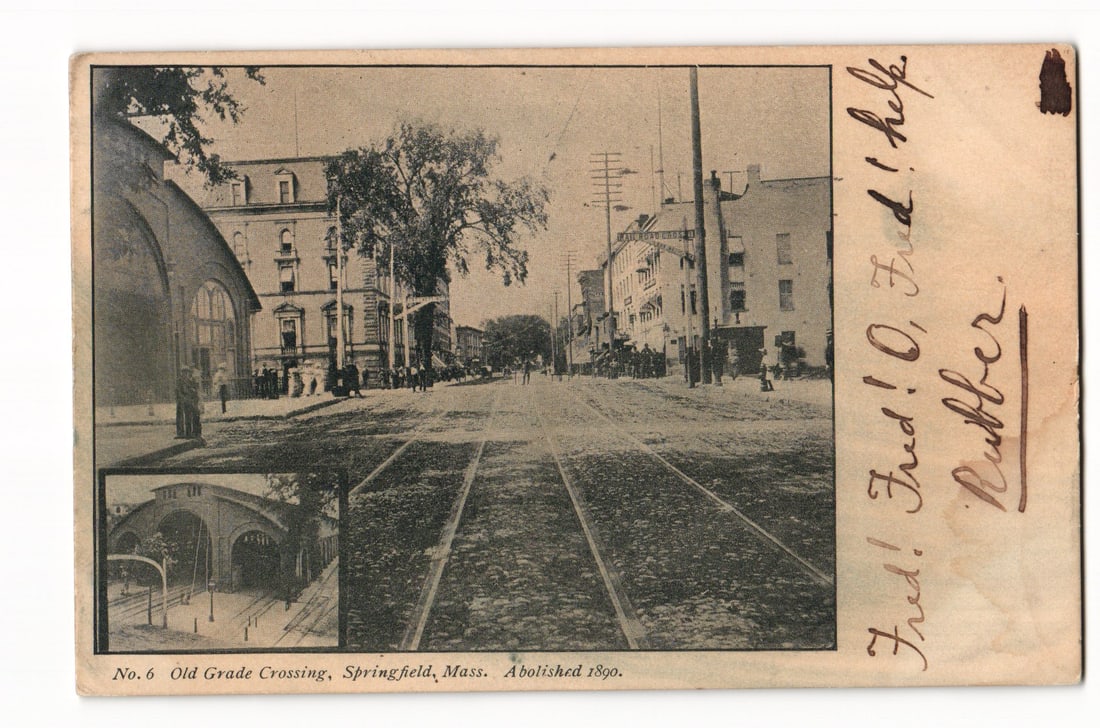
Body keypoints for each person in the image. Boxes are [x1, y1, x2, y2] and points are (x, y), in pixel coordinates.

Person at [175, 367, 202, 439]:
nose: (185, 374)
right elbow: (178, 391)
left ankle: (191, 433)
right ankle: (181, 433)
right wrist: (183, 398)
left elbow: (195, 390)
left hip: (189, 401)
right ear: (181, 373)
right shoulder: (179, 381)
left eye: (186, 372)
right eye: (184, 372)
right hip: (182, 401)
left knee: (190, 416)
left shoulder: (190, 381)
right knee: (181, 417)